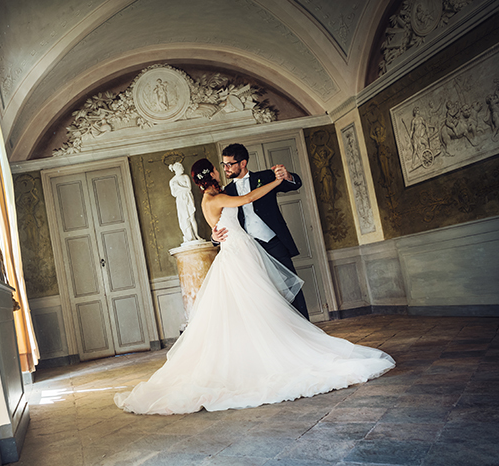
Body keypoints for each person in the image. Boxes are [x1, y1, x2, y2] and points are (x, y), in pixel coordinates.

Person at [114, 159, 394, 415]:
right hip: (238, 254)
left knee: (254, 305)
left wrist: (216, 231)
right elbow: (246, 198)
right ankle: (266, 355)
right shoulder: (216, 197)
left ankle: (265, 349)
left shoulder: (210, 198)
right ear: (210, 174)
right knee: (256, 304)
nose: (221, 170)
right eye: (217, 167)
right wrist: (275, 182)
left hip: (240, 251)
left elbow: (225, 218)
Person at [213, 143, 309, 319]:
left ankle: (307, 331)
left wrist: (287, 176)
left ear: (243, 163)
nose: (225, 168)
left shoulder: (265, 177)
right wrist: (214, 238)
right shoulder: (227, 191)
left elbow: (295, 184)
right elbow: (220, 220)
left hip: (274, 243)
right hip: (249, 251)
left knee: (291, 288)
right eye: (224, 164)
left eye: (229, 164)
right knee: (264, 295)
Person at [169, 161, 200, 243]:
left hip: (188, 197)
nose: (183, 169)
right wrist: (180, 188)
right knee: (184, 219)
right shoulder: (172, 181)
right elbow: (174, 194)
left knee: (192, 217)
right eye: (181, 167)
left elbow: (189, 188)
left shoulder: (185, 177)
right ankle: (189, 237)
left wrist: (179, 186)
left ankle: (197, 235)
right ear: (177, 169)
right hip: (180, 200)